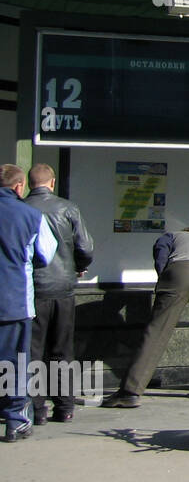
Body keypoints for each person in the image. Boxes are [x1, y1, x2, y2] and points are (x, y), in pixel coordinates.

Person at [102, 226, 189, 407]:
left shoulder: (172, 235)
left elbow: (161, 252)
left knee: (157, 331)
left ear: (186, 232)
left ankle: (130, 391)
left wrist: (164, 277)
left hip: (180, 272)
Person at [25, 163, 94, 423]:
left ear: (29, 184)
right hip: (64, 289)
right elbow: (85, 247)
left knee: (33, 350)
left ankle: (36, 408)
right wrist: (79, 266)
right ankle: (64, 406)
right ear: (51, 183)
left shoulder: (22, 208)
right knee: (62, 349)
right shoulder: (68, 208)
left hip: (34, 289)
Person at [0, 164, 57, 442]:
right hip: (14, 302)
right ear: (19, 187)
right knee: (15, 364)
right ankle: (15, 421)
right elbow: (45, 254)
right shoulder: (31, 216)